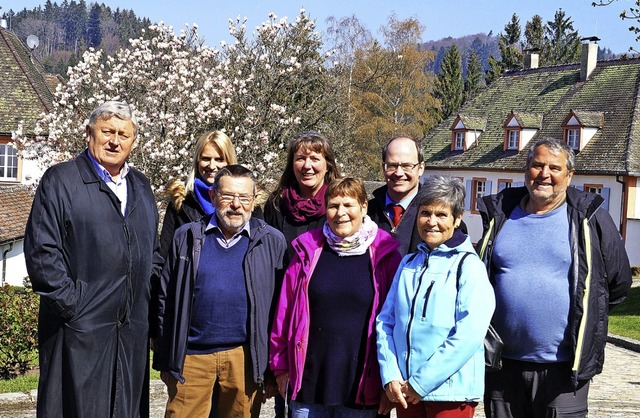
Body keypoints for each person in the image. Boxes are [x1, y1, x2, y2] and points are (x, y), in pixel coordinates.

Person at [477, 137, 632, 418]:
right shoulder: (500, 216)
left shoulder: (590, 218)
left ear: (569, 175)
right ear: (526, 171)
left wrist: (587, 314)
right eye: (537, 165)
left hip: (564, 369)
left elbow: (618, 283)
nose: (544, 174)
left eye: (554, 168)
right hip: (502, 366)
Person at [24, 101, 162, 417]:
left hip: (130, 334)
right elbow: (43, 254)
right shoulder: (61, 181)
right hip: (78, 334)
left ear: (134, 141)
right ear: (89, 133)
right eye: (107, 131)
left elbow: (152, 254)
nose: (115, 141)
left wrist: (146, 306)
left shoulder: (140, 185)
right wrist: (75, 308)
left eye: (123, 134)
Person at [152, 165, 286, 418]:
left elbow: (281, 307)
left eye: (244, 197)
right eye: (227, 196)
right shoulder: (188, 236)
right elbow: (164, 297)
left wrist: (270, 368)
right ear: (213, 196)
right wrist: (167, 356)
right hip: (191, 356)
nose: (236, 204)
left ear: (253, 199)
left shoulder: (271, 240)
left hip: (244, 357)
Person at [270, 177, 402, 418]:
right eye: (333, 205)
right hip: (309, 385)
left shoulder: (386, 255)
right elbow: (284, 313)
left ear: (363, 207)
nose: (341, 213)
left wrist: (389, 381)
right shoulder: (307, 252)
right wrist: (280, 367)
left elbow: (396, 322)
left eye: (348, 205)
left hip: (362, 387)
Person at [376, 175, 495, 418]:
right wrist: (391, 375)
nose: (431, 222)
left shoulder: (469, 266)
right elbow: (386, 322)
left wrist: (421, 383)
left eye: (441, 215)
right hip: (406, 391)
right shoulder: (408, 263)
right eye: (425, 213)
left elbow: (468, 334)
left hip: (449, 393)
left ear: (457, 218)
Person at [263, 131, 342, 417]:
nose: (307, 165)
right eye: (300, 158)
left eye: (315, 158)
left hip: (325, 318)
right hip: (284, 317)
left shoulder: (338, 206)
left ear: (328, 164)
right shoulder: (275, 206)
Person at [368, 135, 467, 257]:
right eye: (392, 165)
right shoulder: (366, 214)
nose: (399, 173)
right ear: (383, 168)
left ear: (421, 168)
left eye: (406, 166)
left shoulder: (441, 218)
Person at [159, 130, 238, 259]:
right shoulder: (180, 203)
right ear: (197, 161)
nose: (212, 166)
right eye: (206, 159)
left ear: (229, 162)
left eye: (219, 159)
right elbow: (164, 254)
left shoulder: (245, 204)